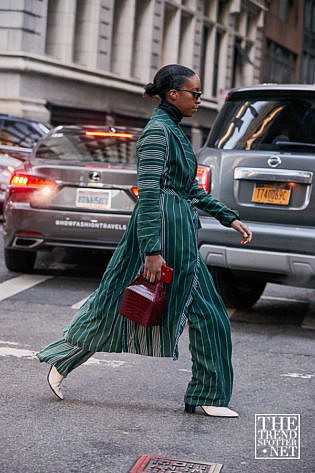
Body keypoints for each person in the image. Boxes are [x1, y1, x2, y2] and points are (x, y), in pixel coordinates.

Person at [37, 64, 252, 417]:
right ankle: (208, 396)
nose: (200, 99)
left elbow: (190, 189)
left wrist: (229, 217)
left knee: (119, 300)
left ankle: (63, 359)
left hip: (179, 231)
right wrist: (152, 250)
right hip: (164, 233)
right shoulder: (157, 133)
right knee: (207, 314)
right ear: (173, 94)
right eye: (195, 94)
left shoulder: (173, 131)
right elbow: (150, 194)